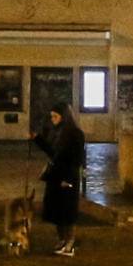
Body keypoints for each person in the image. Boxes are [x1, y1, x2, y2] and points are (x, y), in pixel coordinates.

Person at [36, 102, 86, 257]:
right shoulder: (56, 133)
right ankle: (62, 239)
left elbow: (77, 159)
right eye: (51, 117)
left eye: (55, 116)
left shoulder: (76, 134)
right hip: (56, 176)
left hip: (67, 177)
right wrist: (37, 139)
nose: (53, 120)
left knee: (67, 212)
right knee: (56, 210)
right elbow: (53, 153)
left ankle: (70, 242)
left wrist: (68, 178)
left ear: (64, 117)